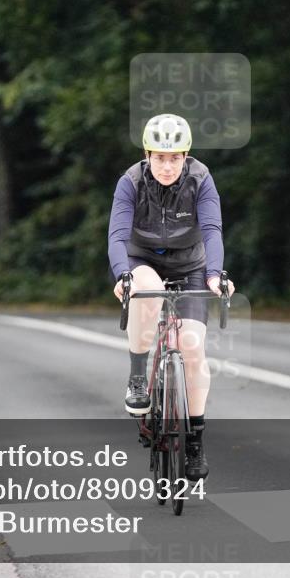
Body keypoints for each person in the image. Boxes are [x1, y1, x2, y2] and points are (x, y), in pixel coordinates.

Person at [108, 113, 235, 482]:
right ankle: (137, 378)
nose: (167, 166)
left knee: (192, 346)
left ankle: (194, 441)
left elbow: (212, 230)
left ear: (186, 156)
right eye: (159, 157)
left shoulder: (201, 179)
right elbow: (117, 235)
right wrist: (122, 275)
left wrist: (214, 275)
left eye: (175, 157)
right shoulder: (130, 182)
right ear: (147, 155)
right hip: (141, 260)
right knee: (147, 291)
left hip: (190, 265)